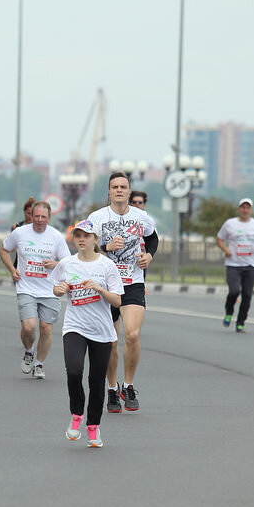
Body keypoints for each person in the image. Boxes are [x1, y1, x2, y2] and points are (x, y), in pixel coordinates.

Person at [88, 173, 159, 412]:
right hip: (106, 285)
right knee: (110, 340)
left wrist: (149, 255)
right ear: (109, 191)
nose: (119, 190)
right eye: (115, 187)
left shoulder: (141, 217)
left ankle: (128, 385)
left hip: (132, 282)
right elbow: (86, 246)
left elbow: (153, 238)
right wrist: (106, 247)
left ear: (129, 191)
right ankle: (111, 388)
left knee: (133, 335)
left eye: (123, 187)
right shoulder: (97, 218)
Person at [51, 219, 124, 448]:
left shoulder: (106, 265)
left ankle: (93, 427)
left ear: (95, 240)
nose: (81, 239)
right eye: (78, 235)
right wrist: (59, 290)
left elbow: (117, 300)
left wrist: (100, 289)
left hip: (101, 330)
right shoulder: (66, 263)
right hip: (75, 326)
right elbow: (55, 287)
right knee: (74, 372)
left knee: (96, 381)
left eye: (86, 236)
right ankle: (76, 414)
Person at [0, 201, 70, 380]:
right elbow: (4, 249)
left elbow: (68, 263)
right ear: (31, 216)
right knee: (28, 327)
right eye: (36, 216)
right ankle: (29, 350)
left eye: (43, 217)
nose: (39, 220)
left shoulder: (56, 236)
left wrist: (55, 264)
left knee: (46, 329)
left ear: (49, 218)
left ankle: (39, 364)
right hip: (26, 288)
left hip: (50, 289)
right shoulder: (20, 233)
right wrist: (12, 269)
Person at [215, 197, 254, 331]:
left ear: (251, 210)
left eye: (247, 208)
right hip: (233, 265)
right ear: (239, 209)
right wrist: (226, 250)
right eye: (243, 207)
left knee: (247, 295)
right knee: (234, 291)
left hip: (250, 266)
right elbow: (219, 239)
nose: (245, 210)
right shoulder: (230, 223)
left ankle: (240, 322)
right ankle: (229, 313)